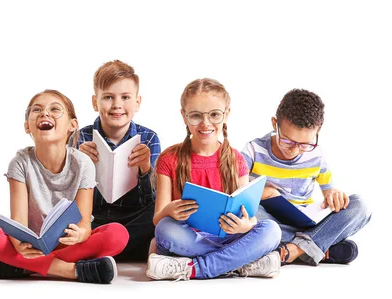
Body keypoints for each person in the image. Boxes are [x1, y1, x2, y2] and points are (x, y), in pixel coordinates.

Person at [0, 89, 129, 284]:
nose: (45, 113)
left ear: (72, 125)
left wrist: (80, 235)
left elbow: (84, 225)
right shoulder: (20, 163)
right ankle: (72, 271)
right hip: (30, 246)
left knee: (117, 234)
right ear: (27, 126)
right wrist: (19, 246)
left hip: (68, 244)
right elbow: (18, 223)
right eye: (36, 110)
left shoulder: (83, 163)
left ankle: (21, 267)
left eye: (55, 109)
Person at [146, 78, 281, 281]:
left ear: (226, 114)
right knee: (165, 229)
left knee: (272, 230)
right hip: (190, 238)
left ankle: (192, 268)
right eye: (196, 116)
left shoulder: (236, 160)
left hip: (230, 236)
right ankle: (241, 263)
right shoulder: (169, 158)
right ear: (184, 116)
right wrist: (169, 210)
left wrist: (245, 226)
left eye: (215, 115)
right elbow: (158, 218)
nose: (205, 123)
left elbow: (250, 218)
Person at [242, 88, 371, 265]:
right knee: (245, 215)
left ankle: (293, 249)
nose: (294, 150)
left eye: (304, 144)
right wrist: (261, 193)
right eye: (287, 141)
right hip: (269, 221)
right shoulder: (253, 150)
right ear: (275, 124)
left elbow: (329, 193)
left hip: (305, 222)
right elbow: (234, 189)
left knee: (360, 206)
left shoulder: (316, 156)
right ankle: (315, 247)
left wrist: (334, 195)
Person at [77, 60, 160, 261]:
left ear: (137, 102)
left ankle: (102, 249)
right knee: (67, 220)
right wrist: (79, 165)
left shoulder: (149, 138)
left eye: (125, 97)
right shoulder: (81, 137)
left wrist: (145, 169)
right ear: (95, 102)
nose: (117, 105)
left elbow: (152, 199)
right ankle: (119, 249)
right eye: (108, 97)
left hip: (134, 219)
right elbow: (69, 195)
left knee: (160, 211)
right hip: (93, 220)